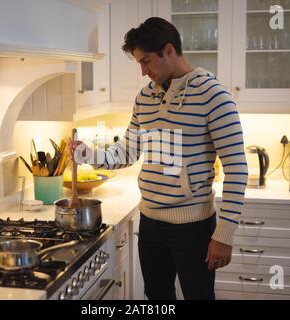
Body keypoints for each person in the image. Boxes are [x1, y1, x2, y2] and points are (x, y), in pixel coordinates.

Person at [67, 17, 248, 300]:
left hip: (194, 228)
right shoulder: (145, 98)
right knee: (157, 299)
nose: (143, 71)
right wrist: (87, 154)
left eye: (147, 61)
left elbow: (237, 169)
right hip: (150, 223)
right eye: (139, 63)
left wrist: (223, 235)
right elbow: (126, 151)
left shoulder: (213, 95)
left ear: (169, 50)